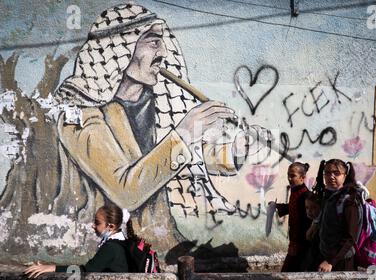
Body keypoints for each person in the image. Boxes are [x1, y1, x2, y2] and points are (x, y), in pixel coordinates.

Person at [52, 4, 270, 252]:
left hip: (160, 242)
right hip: (105, 246)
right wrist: (186, 131)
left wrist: (237, 149)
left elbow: (185, 159)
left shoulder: (157, 102)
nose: (164, 52)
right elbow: (125, 191)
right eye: (153, 42)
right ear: (121, 47)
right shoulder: (79, 114)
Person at [24, 205, 131, 280]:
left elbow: (86, 271)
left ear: (111, 226)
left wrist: (52, 268)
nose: (93, 225)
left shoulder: (111, 248)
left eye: (97, 223)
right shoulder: (121, 241)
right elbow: (99, 268)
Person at [314, 159, 362, 280]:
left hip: (342, 261)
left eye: (336, 173)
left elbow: (350, 238)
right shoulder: (329, 195)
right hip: (328, 256)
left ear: (345, 175)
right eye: (327, 173)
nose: (331, 176)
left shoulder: (349, 201)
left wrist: (330, 261)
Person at [267, 162, 312, 280]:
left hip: (302, 241)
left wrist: (297, 243)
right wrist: (278, 206)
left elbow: (307, 221)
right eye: (288, 175)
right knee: (292, 268)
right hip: (295, 240)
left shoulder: (306, 196)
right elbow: (292, 208)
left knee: (294, 269)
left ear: (302, 178)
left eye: (293, 175)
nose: (289, 178)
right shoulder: (296, 192)